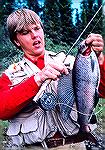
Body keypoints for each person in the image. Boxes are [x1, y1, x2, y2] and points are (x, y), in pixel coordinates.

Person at [0, 8, 104, 149]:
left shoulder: (74, 61)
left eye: (37, 28)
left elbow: (102, 91)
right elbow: (2, 110)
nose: (34, 35)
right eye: (25, 32)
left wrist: (99, 61)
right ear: (16, 41)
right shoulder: (9, 75)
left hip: (76, 145)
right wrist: (38, 78)